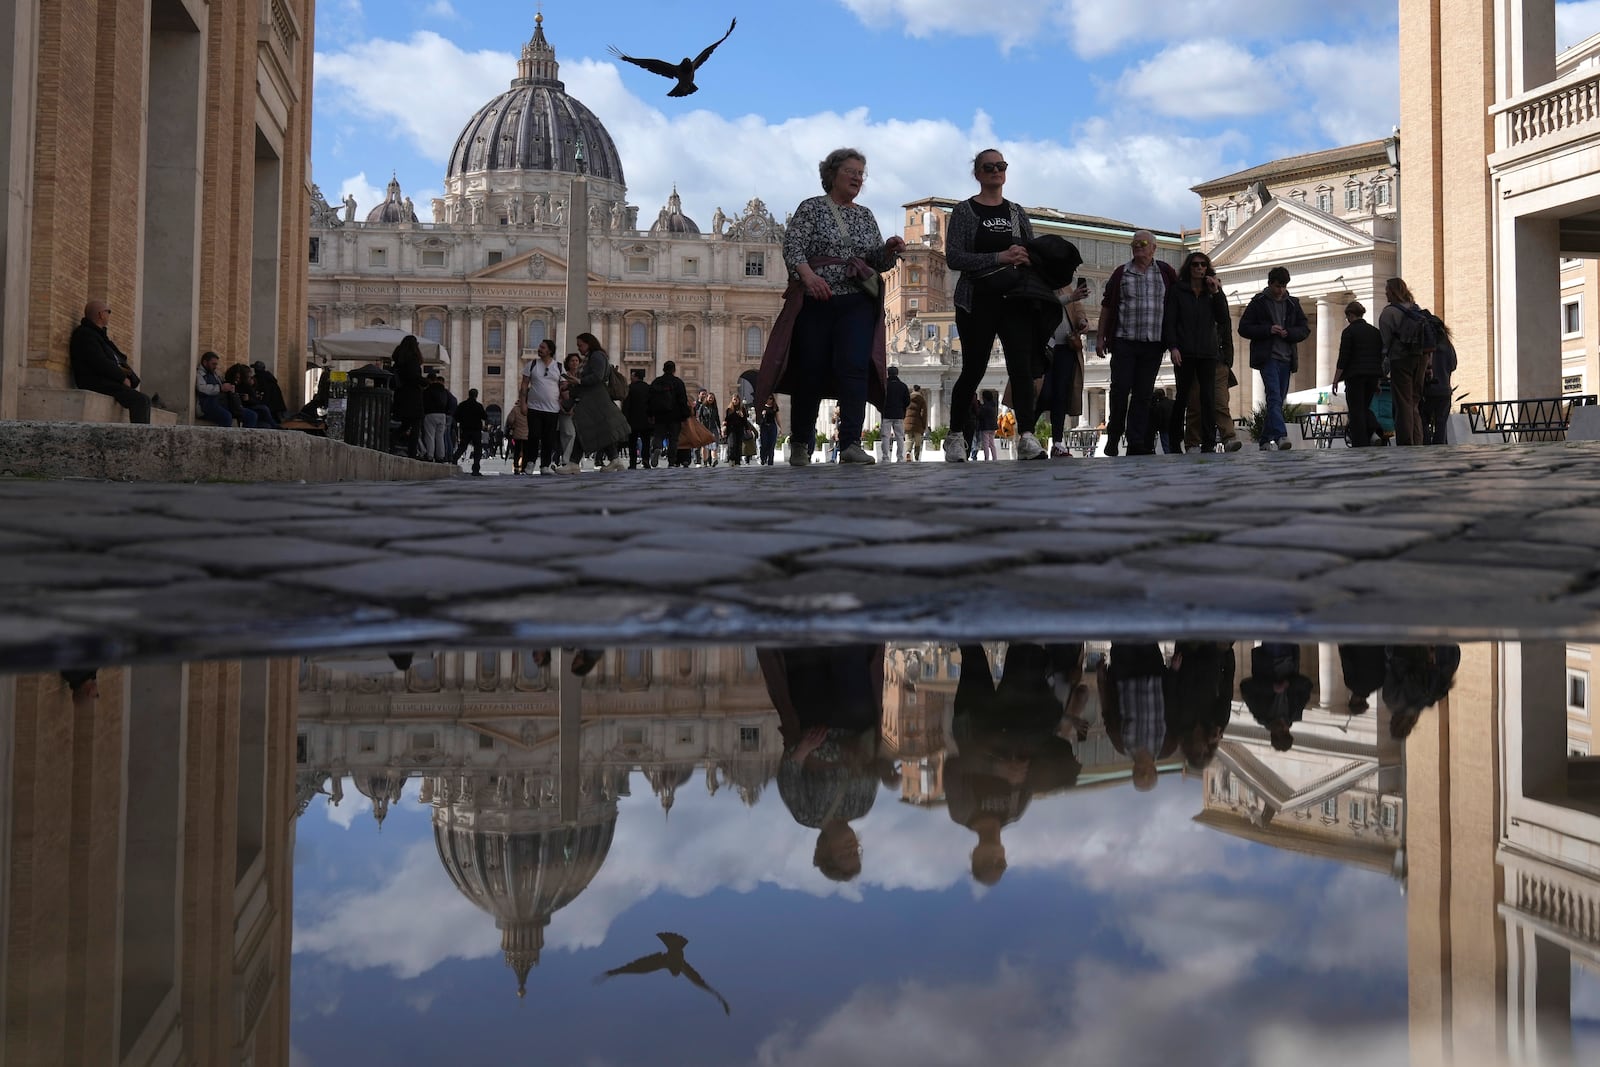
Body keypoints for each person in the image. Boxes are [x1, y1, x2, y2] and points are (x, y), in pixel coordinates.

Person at [754, 147, 904, 467]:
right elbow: (793, 246)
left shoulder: (864, 215)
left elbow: (875, 260)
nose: (857, 177)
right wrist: (808, 277)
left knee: (855, 368)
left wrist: (888, 251)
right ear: (832, 174)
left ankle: (850, 443)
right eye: (851, 171)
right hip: (817, 299)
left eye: (861, 173)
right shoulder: (811, 208)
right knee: (811, 370)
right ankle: (799, 442)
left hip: (856, 301)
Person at [940, 149, 1049, 462]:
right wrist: (999, 257)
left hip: (1015, 299)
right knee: (973, 368)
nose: (996, 171)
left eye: (1001, 166)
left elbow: (1033, 252)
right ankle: (956, 436)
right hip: (977, 299)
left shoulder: (1016, 212)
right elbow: (954, 257)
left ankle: (1027, 436)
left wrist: (1027, 257)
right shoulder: (964, 211)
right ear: (977, 173)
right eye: (989, 167)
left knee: (1022, 369)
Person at [946, 643, 1083, 884]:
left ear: (976, 856)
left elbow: (954, 766)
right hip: (1010, 721)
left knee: (973, 652)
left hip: (973, 721)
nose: (998, 858)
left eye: (990, 863)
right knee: (1024, 655)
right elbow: (1034, 767)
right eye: (1002, 863)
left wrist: (996, 769)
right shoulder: (1014, 811)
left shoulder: (962, 813)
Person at [762, 645, 896, 883]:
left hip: (813, 721)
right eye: (855, 852)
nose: (852, 847)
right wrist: (886, 771)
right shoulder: (862, 807)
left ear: (824, 852)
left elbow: (788, 774)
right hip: (855, 719)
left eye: (844, 853)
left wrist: (805, 749)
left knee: (805, 654)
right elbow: (870, 766)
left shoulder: (806, 814)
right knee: (849, 651)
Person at [1099, 232, 1178, 456]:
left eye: (1142, 244)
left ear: (1153, 247)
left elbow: (1178, 299)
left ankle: (1135, 442)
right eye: (1134, 244)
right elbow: (1107, 306)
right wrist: (1103, 336)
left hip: (1153, 343)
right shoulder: (1122, 272)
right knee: (1119, 391)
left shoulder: (1164, 272)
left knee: (1143, 395)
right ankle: (1114, 437)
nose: (1137, 247)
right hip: (1125, 341)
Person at [1162, 251, 1235, 454]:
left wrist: (1216, 293)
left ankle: (1209, 443)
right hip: (1184, 352)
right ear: (1189, 267)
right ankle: (1176, 442)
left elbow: (1223, 319)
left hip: (1207, 352)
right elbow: (1170, 321)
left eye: (1203, 265)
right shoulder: (1178, 291)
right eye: (1196, 265)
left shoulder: (1211, 293)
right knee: (1183, 398)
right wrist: (1173, 347)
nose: (1200, 268)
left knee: (1208, 398)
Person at [1238, 266, 1310, 451]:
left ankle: (1263, 440)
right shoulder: (1259, 302)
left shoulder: (1292, 303)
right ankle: (1280, 435)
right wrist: (1268, 330)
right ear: (1270, 284)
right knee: (1274, 396)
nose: (1281, 290)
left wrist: (1289, 333)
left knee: (1278, 399)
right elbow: (1244, 328)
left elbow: (1304, 329)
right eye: (1278, 286)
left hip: (1287, 357)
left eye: (1284, 286)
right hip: (1267, 356)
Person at [1096, 643, 1177, 790]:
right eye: (1148, 774)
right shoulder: (1167, 747)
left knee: (1122, 633)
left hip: (1124, 673)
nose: (1144, 771)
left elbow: (1107, 712)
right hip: (1154, 673)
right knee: (1146, 633)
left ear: (1133, 771)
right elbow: (1174, 707)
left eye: (1140, 774)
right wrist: (1173, 673)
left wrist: (1101, 680)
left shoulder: (1122, 746)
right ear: (1155, 771)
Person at [69, 300, 152, 423]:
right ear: (101, 314)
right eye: (108, 312)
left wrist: (129, 376)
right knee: (139, 400)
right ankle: (140, 437)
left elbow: (117, 358)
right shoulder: (85, 334)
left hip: (107, 380)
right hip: (95, 381)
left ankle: (143, 435)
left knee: (144, 399)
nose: (109, 315)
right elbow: (99, 361)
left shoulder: (99, 335)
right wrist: (121, 378)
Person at [1378, 277, 1431, 447]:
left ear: (1392, 292)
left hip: (1400, 360)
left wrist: (1381, 370)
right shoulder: (1416, 308)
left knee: (1403, 403)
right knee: (1414, 402)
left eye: (1387, 290)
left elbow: (1385, 344)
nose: (1385, 292)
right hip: (1421, 359)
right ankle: (1418, 440)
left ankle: (1405, 442)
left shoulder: (1389, 313)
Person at [571, 332, 630, 472]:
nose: (579, 348)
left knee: (584, 429)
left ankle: (573, 463)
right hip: (594, 399)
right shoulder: (592, 356)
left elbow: (598, 376)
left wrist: (579, 381)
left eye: (580, 345)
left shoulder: (596, 356)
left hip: (596, 400)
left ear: (588, 343)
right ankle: (615, 459)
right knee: (601, 431)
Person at [1042, 283, 1089, 457]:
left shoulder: (1067, 287)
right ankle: (1028, 433)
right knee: (1043, 392)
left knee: (1061, 396)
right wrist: (1071, 297)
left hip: (1066, 347)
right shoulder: (1041, 282)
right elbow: (1045, 303)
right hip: (1045, 347)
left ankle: (1057, 441)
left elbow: (1078, 309)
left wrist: (1083, 321)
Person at [1239, 643, 1312, 751]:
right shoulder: (1295, 713)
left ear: (1273, 733)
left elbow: (1245, 687)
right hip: (1290, 657)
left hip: (1269, 659)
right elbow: (1307, 685)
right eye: (1286, 731)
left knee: (1274, 629)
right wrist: (1290, 683)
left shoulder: (1260, 713)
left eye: (1281, 732)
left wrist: (1272, 687)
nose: (1284, 728)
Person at [1332, 300, 1385, 448]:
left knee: (1356, 411)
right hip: (1373, 375)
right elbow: (1379, 357)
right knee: (1365, 407)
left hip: (1355, 376)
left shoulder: (1348, 332)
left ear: (1350, 315)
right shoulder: (1375, 332)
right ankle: (1373, 433)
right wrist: (1378, 380)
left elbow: (1343, 358)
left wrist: (1336, 380)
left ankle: (1360, 443)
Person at [195, 351, 256, 427]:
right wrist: (220, 388)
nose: (215, 366)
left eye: (216, 364)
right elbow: (202, 388)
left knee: (251, 415)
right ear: (205, 362)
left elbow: (223, 385)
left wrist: (229, 387)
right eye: (213, 364)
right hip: (207, 405)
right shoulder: (200, 374)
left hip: (221, 402)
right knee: (227, 417)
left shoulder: (215, 373)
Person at [648, 360, 691, 466]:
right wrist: (685, 415)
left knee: (658, 435)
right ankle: (671, 462)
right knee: (673, 439)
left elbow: (650, 400)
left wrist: (650, 414)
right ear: (674, 370)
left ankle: (657, 448)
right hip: (674, 416)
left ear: (663, 369)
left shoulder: (656, 382)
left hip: (660, 415)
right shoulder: (678, 382)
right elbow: (683, 400)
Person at [1422, 314, 1457, 445]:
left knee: (1423, 420)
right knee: (1441, 423)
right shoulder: (1447, 345)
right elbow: (1453, 365)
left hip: (1428, 389)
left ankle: (1425, 446)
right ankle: (1440, 447)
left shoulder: (1426, 345)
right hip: (1445, 390)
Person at [390, 335, 426, 457]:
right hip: (412, 397)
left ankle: (390, 441)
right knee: (416, 427)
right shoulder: (412, 359)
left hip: (401, 397)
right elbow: (414, 377)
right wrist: (425, 382)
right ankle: (412, 454)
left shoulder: (398, 360)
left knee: (405, 425)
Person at [225, 362, 279, 428]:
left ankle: (274, 425)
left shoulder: (246, 385)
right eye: (236, 378)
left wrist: (248, 399)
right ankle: (274, 425)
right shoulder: (229, 384)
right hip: (239, 407)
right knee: (257, 413)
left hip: (247, 405)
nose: (237, 380)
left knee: (264, 411)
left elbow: (255, 399)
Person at [622, 367, 653, 469]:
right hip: (646, 419)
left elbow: (626, 405)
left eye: (632, 376)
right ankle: (645, 460)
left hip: (632, 420)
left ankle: (632, 463)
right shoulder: (648, 388)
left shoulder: (630, 388)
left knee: (632, 443)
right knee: (646, 442)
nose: (630, 377)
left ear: (635, 377)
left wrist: (624, 418)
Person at [456, 387, 488, 475]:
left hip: (465, 429)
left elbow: (456, 416)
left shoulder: (462, 405)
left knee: (462, 447)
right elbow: (485, 417)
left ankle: (453, 461)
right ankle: (475, 470)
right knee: (478, 449)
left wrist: (462, 421)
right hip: (476, 430)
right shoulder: (478, 406)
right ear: (476, 396)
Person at [421, 372, 452, 461]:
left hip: (430, 414)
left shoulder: (427, 390)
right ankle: (441, 456)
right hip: (442, 415)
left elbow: (424, 402)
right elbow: (450, 402)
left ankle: (430, 456)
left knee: (430, 436)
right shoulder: (445, 391)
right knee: (440, 437)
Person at [881, 366, 910, 461]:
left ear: (888, 373)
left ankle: (885, 457)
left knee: (885, 436)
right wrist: (902, 408)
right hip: (899, 414)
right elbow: (907, 401)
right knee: (900, 437)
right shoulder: (903, 386)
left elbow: (879, 399)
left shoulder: (884, 385)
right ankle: (900, 457)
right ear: (897, 373)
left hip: (886, 413)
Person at [723, 396, 752, 466]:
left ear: (739, 400)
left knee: (739, 445)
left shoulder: (742, 409)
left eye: (737, 400)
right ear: (732, 400)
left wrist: (747, 429)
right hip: (731, 430)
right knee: (732, 445)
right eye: (734, 400)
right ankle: (731, 459)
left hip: (739, 429)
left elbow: (745, 420)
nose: (735, 401)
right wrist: (724, 426)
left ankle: (737, 461)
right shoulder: (729, 409)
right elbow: (726, 419)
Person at [904, 383, 928, 460]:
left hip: (907, 422)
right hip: (918, 423)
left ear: (913, 390)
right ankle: (916, 456)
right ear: (919, 390)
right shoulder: (922, 400)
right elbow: (924, 413)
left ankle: (908, 452)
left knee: (908, 439)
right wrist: (924, 425)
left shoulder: (907, 398)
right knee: (918, 440)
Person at [975, 389, 999, 460]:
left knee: (985, 443)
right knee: (992, 443)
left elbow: (980, 415)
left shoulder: (984, 407)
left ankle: (987, 458)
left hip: (985, 426)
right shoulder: (993, 405)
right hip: (993, 426)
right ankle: (994, 457)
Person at [757, 395, 781, 465]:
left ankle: (770, 461)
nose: (769, 400)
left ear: (773, 400)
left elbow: (777, 418)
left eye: (770, 398)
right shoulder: (762, 407)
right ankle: (763, 458)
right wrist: (761, 415)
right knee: (764, 444)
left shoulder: (774, 407)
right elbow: (758, 418)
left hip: (772, 427)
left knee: (771, 444)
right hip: (764, 427)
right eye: (767, 398)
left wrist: (780, 427)